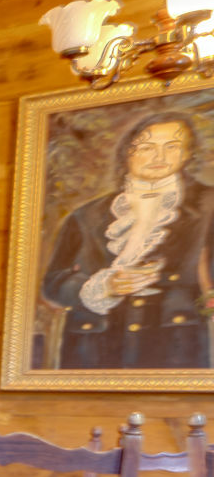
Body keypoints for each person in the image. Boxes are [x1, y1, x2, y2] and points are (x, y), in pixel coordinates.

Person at [41, 112, 214, 369]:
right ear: (127, 153)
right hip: (92, 347)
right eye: (146, 147)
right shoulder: (86, 215)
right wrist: (104, 287)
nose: (159, 157)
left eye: (173, 147)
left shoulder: (209, 204)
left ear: (187, 154)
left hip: (176, 346)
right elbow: (53, 282)